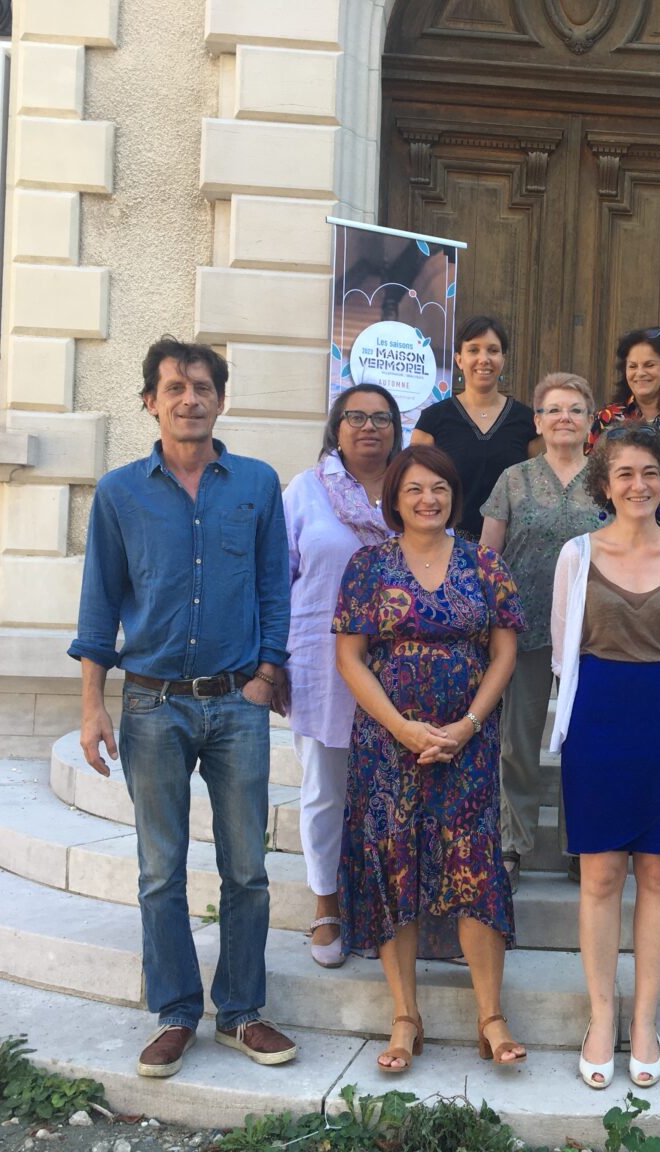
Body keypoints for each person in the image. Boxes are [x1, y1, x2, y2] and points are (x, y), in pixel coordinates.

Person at [69, 336, 297, 1078]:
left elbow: (275, 587)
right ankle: (175, 1013)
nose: (190, 399)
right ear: (151, 402)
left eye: (203, 388)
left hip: (236, 704)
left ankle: (241, 1011)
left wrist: (266, 675)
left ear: (221, 401)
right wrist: (92, 706)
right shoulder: (119, 493)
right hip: (151, 705)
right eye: (175, 388)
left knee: (247, 869)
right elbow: (99, 603)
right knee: (160, 871)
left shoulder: (256, 483)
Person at [333, 444, 528, 1074]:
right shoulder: (368, 566)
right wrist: (402, 728)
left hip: (467, 745)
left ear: (454, 496)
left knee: (475, 867)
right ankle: (405, 1018)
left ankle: (490, 1016)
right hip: (388, 747)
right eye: (415, 488)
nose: (428, 499)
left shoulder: (485, 563)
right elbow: (350, 658)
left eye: (439, 487)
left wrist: (467, 726)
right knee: (395, 867)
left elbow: (504, 654)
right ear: (395, 498)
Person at [551, 424, 660, 1090]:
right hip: (598, 717)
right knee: (598, 877)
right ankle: (601, 1016)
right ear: (604, 482)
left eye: (650, 472)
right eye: (624, 473)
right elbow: (563, 649)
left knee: (659, 875)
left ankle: (644, 1020)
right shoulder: (576, 555)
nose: (638, 485)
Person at [282, 383, 401, 968]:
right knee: (326, 789)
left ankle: (380, 906)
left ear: (397, 429)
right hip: (322, 661)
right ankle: (326, 903)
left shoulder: (412, 490)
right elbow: (276, 577)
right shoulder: (306, 491)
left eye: (380, 418)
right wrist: (269, 662)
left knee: (389, 794)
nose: (368, 427)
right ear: (336, 427)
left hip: (400, 665)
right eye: (355, 416)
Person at [479, 372, 608, 890]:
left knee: (586, 743)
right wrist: (485, 626)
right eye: (553, 409)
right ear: (537, 421)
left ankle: (584, 843)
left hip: (592, 633)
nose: (564, 418)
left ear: (590, 421)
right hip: (523, 628)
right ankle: (514, 844)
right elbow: (487, 559)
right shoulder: (513, 479)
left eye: (575, 409)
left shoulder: (608, 478)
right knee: (518, 742)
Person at [411, 315, 538, 539]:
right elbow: (416, 487)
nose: (484, 359)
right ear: (459, 359)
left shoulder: (528, 422)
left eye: (493, 350)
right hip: (447, 546)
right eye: (473, 350)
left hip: (512, 548)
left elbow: (539, 489)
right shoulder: (433, 420)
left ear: (503, 359)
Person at [588, 327, 660, 532]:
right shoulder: (606, 418)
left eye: (649, 365)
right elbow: (592, 478)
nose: (640, 373)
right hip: (615, 533)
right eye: (633, 366)